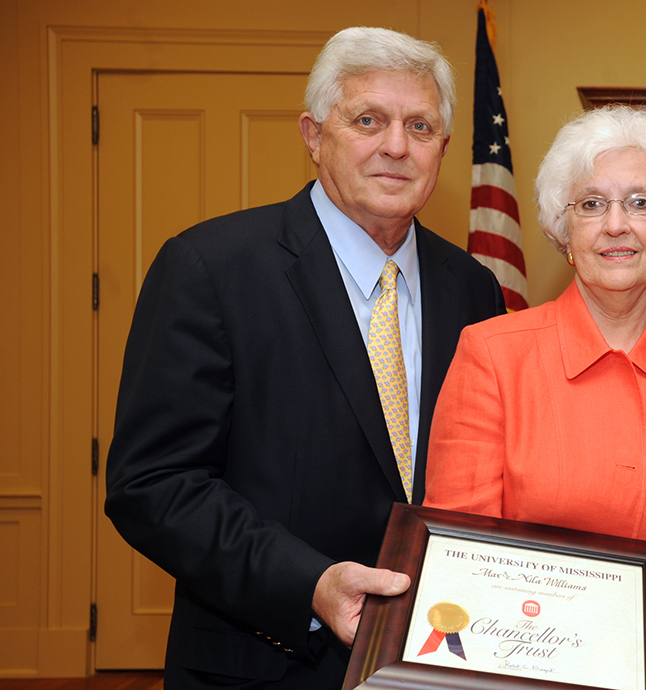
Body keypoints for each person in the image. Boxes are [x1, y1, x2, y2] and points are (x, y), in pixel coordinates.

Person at [102, 27, 508, 689]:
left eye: (420, 125)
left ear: (443, 147)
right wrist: (310, 584)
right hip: (266, 662)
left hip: (439, 656)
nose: (396, 146)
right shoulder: (211, 268)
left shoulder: (473, 287)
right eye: (368, 120)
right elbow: (154, 485)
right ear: (314, 135)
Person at [423, 105, 646, 690]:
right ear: (561, 228)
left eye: (641, 203)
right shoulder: (491, 356)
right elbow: (454, 556)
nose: (617, 225)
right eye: (592, 204)